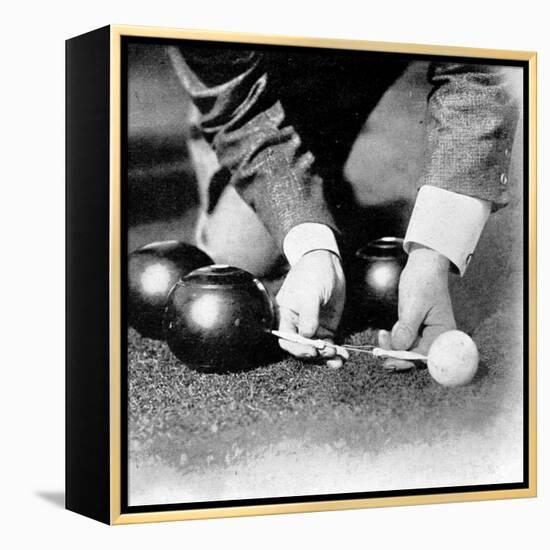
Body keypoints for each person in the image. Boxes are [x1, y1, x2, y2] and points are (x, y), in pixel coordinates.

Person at [166, 43, 519, 369]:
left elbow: (483, 69)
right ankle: (321, 185)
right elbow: (241, 111)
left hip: (367, 51)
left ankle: (324, 177)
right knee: (244, 249)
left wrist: (433, 256)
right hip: (268, 72)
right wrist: (311, 245)